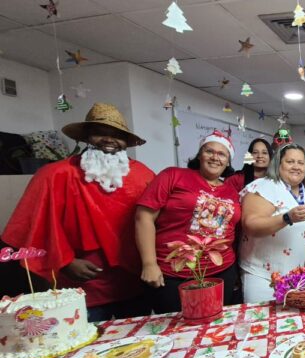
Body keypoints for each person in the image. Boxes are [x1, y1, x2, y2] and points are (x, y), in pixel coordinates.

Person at [3, 103, 154, 322]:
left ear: (126, 142)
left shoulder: (144, 175)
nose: (109, 139)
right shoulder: (54, 174)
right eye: (101, 132)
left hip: (133, 282)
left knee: (136, 344)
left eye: (117, 135)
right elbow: (32, 226)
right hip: (80, 287)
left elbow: (163, 223)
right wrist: (64, 261)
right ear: (86, 136)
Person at [136, 131, 240, 313]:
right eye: (209, 151)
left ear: (228, 161)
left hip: (222, 272)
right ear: (200, 155)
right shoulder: (173, 176)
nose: (215, 157)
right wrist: (149, 263)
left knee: (218, 329)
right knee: (178, 332)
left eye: (222, 154)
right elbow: (143, 217)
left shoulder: (231, 191)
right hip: (173, 275)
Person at [240, 140, 305, 303]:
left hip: (295, 276)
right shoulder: (263, 187)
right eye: (290, 161)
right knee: (261, 324)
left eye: (301, 163)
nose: (296, 166)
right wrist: (287, 218)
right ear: (278, 164)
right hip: (263, 276)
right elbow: (250, 224)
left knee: (290, 325)